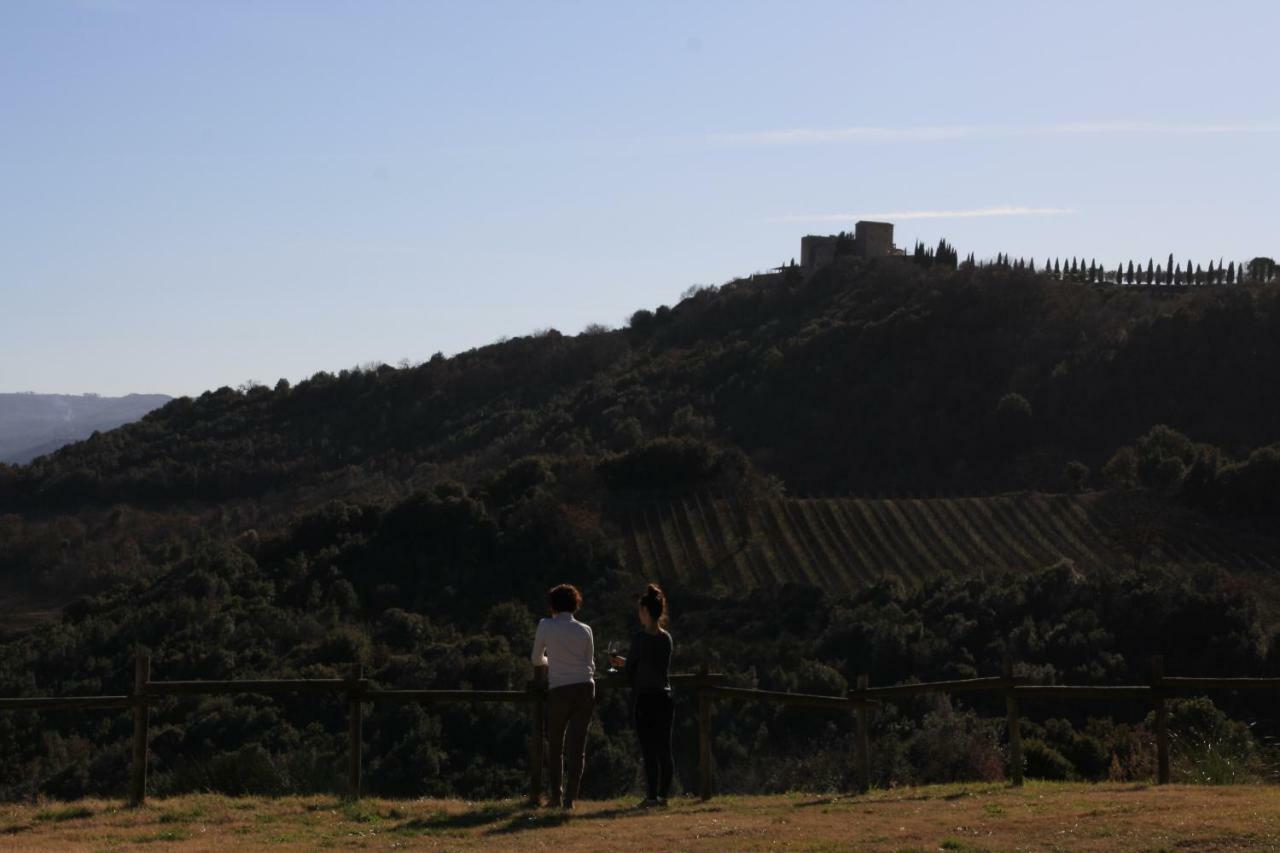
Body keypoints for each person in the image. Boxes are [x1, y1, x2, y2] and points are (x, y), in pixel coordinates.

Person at [530, 583, 595, 809]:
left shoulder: (546, 626)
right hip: (585, 688)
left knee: (556, 744)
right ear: (575, 605)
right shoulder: (586, 629)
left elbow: (536, 659)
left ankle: (556, 797)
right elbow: (590, 664)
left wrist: (552, 661)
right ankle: (570, 799)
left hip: (560, 689)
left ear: (553, 606)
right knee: (578, 747)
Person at [610, 583, 674, 807]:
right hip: (664, 697)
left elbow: (632, 671)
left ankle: (651, 796)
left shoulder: (639, 638)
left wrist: (622, 665)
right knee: (664, 748)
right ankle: (664, 796)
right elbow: (655, 666)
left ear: (645, 612)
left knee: (649, 750)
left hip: (645, 698)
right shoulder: (666, 639)